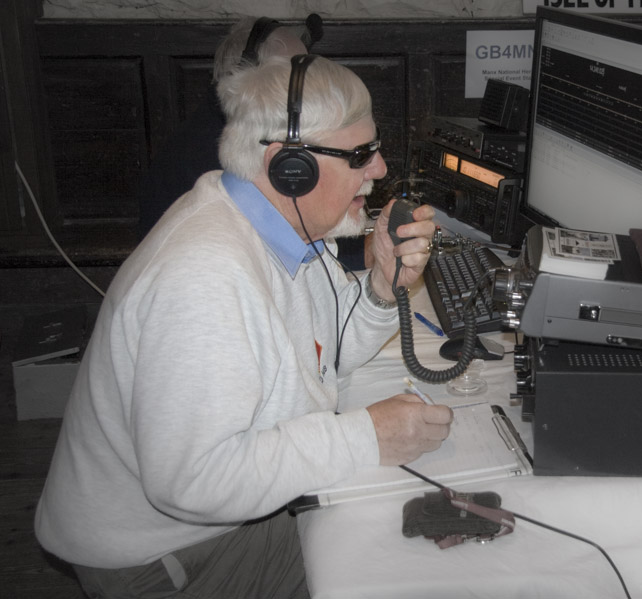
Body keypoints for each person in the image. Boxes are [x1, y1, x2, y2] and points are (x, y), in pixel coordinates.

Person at [35, 54, 452, 598]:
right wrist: (364, 436)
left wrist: (379, 287)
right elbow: (194, 483)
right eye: (360, 154)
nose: (378, 169)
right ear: (289, 166)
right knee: (397, 569)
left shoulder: (278, 225)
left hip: (201, 522)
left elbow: (326, 354)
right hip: (163, 556)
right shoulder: (204, 278)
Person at [137, 15, 373, 270]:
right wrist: (367, 252)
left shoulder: (220, 126)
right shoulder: (218, 152)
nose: (305, 86)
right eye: (293, 75)